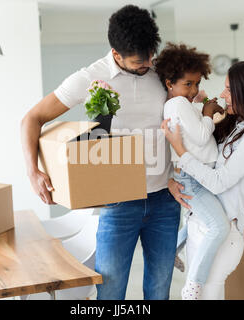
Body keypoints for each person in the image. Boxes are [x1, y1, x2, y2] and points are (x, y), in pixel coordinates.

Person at [21, 5, 187, 300]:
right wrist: (33, 172)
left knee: (160, 291)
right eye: (139, 61)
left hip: (164, 200)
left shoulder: (160, 72)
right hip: (118, 203)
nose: (148, 64)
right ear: (116, 53)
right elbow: (31, 119)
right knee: (110, 293)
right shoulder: (89, 78)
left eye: (151, 55)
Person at [162, 60, 244, 299]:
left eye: (229, 89)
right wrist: (174, 181)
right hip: (200, 226)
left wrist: (180, 151)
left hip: (222, 235)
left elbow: (218, 182)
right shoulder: (237, 126)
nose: (223, 95)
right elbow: (203, 152)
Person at [154, 43, 229, 300]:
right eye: (188, 84)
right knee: (218, 226)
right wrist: (208, 113)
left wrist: (201, 106)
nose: (194, 90)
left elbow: (192, 127)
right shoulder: (177, 104)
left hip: (198, 175)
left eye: (197, 83)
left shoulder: (177, 104)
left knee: (203, 218)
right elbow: (199, 136)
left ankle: (174, 247)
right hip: (194, 178)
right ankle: (193, 286)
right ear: (169, 83)